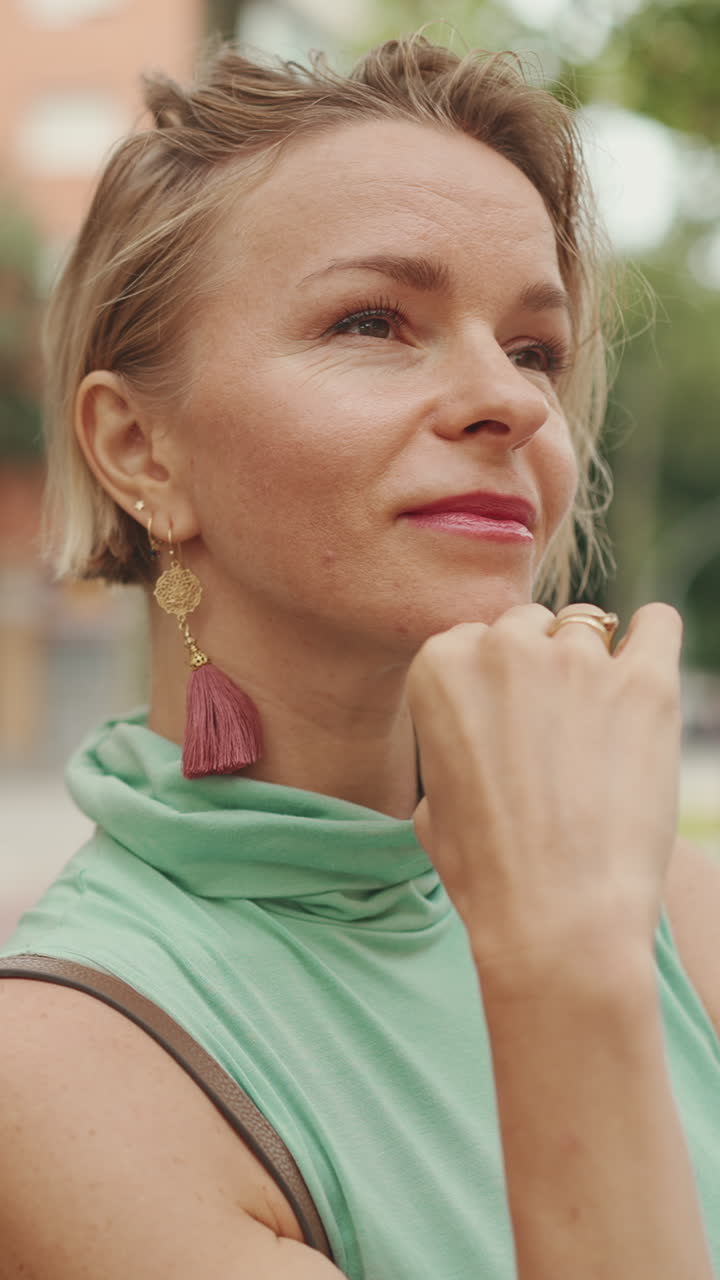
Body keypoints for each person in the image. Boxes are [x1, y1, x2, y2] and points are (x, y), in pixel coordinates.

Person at [0, 33, 718, 1280]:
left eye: (536, 346)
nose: (514, 401)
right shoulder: (59, 1078)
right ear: (140, 451)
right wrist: (562, 965)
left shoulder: (678, 907)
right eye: (375, 320)